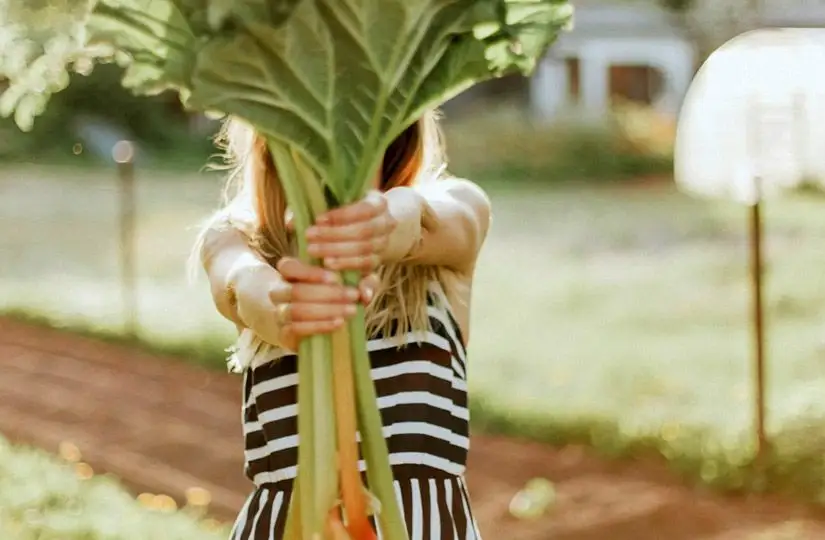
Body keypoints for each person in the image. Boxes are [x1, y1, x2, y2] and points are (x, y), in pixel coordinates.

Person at [194, 110, 491, 539]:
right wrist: (285, 311)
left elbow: (436, 221)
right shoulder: (241, 239)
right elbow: (238, 283)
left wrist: (393, 217)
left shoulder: (452, 219)